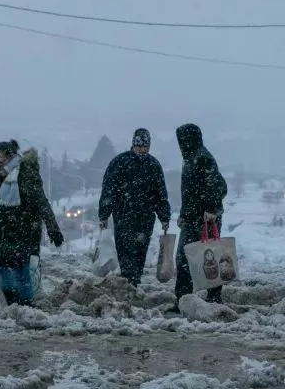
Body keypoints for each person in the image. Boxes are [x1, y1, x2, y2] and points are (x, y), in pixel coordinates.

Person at [0, 140, 64, 307]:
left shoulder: (25, 174)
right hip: (4, 231)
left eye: (0, 161)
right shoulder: (4, 176)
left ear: (11, 157)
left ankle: (25, 305)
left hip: (23, 230)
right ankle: (13, 303)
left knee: (21, 270)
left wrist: (53, 228)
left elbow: (41, 202)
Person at [98, 128, 172, 286]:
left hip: (145, 218)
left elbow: (161, 195)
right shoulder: (120, 162)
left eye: (146, 146)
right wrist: (104, 214)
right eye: (140, 146)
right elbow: (108, 191)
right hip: (123, 216)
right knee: (125, 251)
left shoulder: (153, 165)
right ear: (133, 144)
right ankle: (128, 280)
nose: (143, 150)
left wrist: (164, 216)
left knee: (140, 251)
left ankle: (134, 280)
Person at [168, 123, 228, 314]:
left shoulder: (203, 158)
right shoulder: (190, 158)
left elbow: (220, 186)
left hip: (206, 219)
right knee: (184, 259)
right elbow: (191, 193)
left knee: (209, 257)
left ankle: (214, 299)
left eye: (182, 140)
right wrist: (184, 215)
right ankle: (183, 300)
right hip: (192, 218)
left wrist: (212, 208)